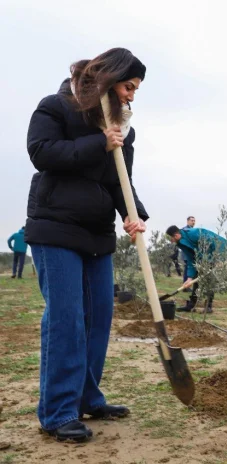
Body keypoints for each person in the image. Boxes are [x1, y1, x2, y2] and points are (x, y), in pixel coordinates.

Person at [24, 48, 148, 442]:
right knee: (66, 321)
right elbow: (41, 153)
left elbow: (119, 182)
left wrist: (135, 214)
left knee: (97, 321)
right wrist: (100, 143)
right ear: (109, 78)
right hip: (56, 228)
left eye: (135, 90)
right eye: (129, 87)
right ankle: (58, 413)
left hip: (97, 234)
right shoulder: (56, 107)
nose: (131, 96)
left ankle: (86, 397)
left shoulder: (121, 128)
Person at [166, 225, 226, 313]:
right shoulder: (181, 243)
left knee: (210, 279)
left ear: (176, 236)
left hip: (218, 250)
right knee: (196, 279)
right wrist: (189, 278)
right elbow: (191, 259)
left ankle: (208, 306)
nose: (171, 241)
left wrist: (218, 259)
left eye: (171, 238)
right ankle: (191, 305)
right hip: (204, 258)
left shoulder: (193, 234)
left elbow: (212, 242)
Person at [180, 216, 196, 287]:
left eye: (194, 221)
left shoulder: (193, 230)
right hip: (186, 254)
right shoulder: (185, 230)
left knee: (189, 269)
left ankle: (188, 285)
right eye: (192, 220)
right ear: (188, 221)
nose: (193, 222)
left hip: (191, 253)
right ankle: (185, 286)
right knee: (187, 269)